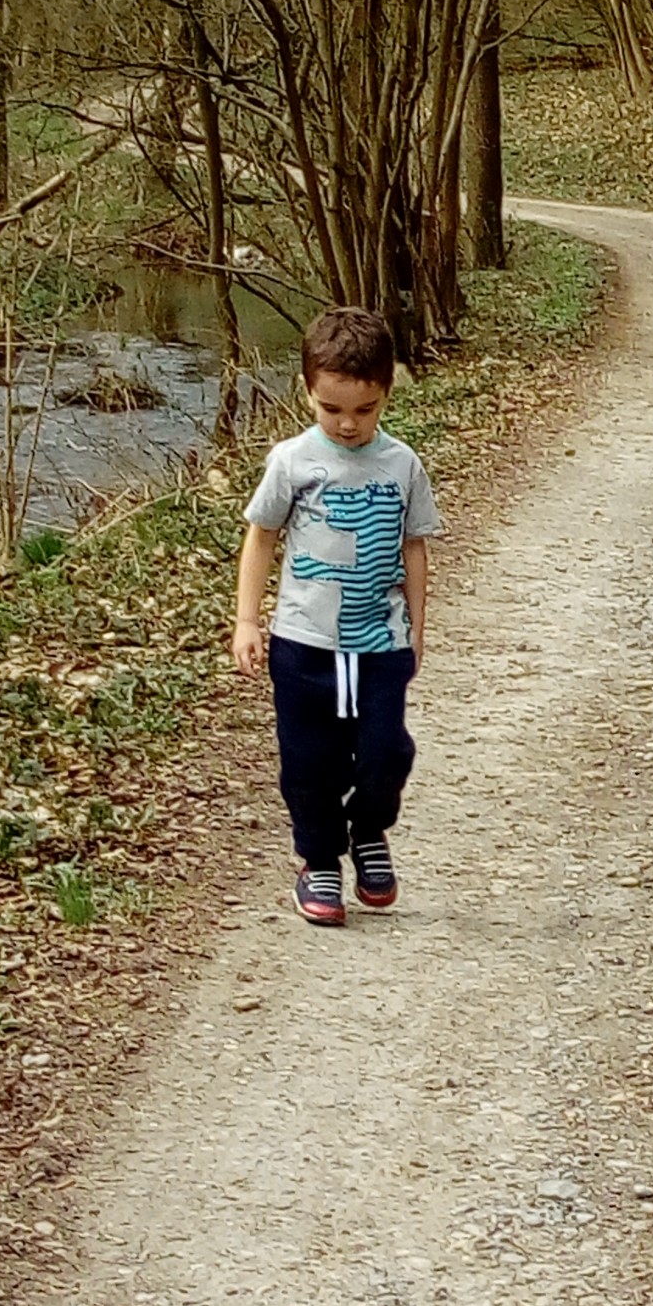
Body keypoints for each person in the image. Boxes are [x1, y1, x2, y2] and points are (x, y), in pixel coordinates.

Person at [233, 307, 443, 928]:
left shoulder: (401, 465)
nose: (348, 424)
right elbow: (261, 536)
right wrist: (247, 620)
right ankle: (319, 859)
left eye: (364, 409)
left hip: (379, 643)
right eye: (332, 409)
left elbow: (414, 546)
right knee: (309, 761)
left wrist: (416, 628)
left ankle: (368, 829)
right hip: (303, 643)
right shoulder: (292, 461)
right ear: (308, 393)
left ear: (387, 394)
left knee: (386, 753)